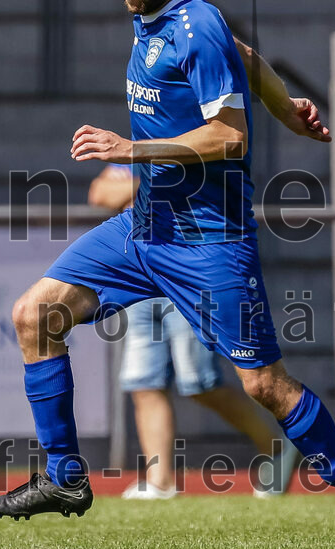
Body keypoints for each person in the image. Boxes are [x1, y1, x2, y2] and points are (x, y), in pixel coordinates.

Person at [0, 0, 335, 549]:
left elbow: (228, 137)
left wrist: (131, 149)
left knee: (264, 384)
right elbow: (243, 54)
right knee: (34, 315)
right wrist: (286, 106)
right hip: (144, 228)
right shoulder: (152, 19)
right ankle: (66, 477)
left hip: (208, 239)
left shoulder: (196, 23)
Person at [88, 163, 298, 500]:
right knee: (142, 382)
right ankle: (160, 481)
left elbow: (190, 190)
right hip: (140, 281)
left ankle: (276, 447)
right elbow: (100, 193)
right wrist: (151, 185)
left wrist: (136, 188)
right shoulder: (134, 151)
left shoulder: (190, 150)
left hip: (187, 277)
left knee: (199, 382)